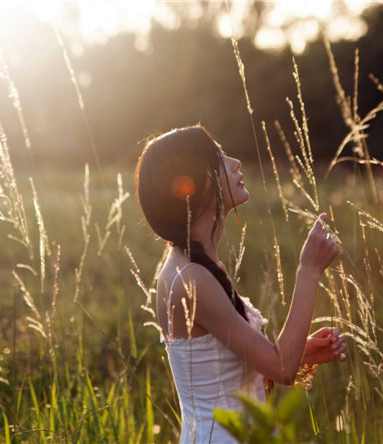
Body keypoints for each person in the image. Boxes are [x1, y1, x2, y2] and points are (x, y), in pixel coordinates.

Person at [135, 125, 346, 443]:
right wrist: (308, 270)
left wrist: (300, 352)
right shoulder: (191, 277)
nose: (235, 162)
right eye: (219, 156)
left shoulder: (193, 266)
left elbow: (226, 377)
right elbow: (283, 369)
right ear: (193, 181)